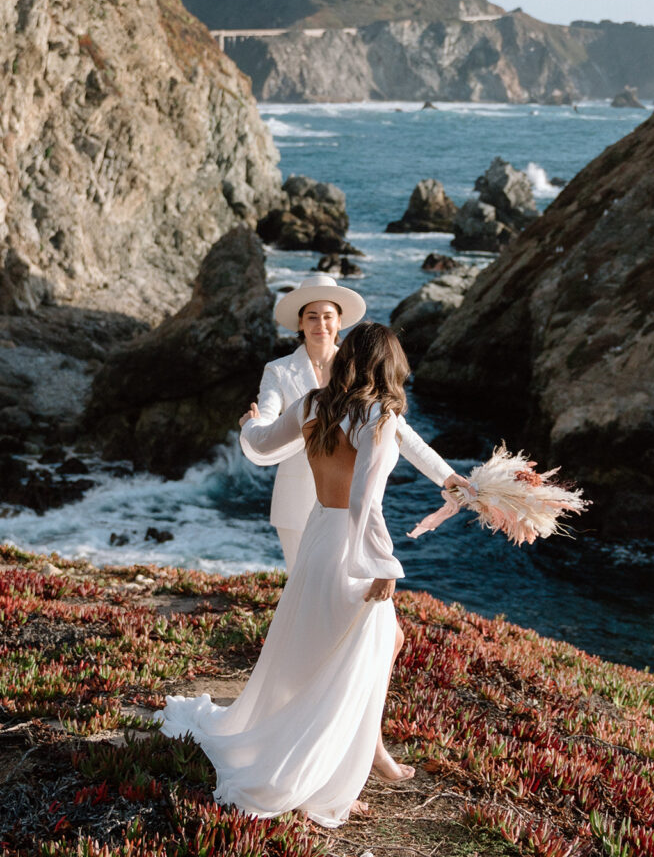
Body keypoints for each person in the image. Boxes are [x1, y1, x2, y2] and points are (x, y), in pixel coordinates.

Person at [156, 324, 430, 826]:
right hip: (353, 547)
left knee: (317, 656)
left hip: (318, 538)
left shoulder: (312, 403)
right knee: (352, 667)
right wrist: (383, 563)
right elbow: (365, 499)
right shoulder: (378, 416)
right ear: (386, 365)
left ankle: (339, 761)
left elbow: (260, 444)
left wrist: (250, 423)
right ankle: (328, 781)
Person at [241, 273, 467, 571]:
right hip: (295, 499)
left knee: (349, 588)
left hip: (349, 501)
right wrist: (253, 426)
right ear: (299, 323)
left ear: (339, 320)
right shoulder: (278, 370)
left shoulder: (355, 366)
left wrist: (447, 477)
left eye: (327, 316)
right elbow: (269, 420)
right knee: (302, 584)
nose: (320, 324)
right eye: (312, 317)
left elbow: (398, 430)